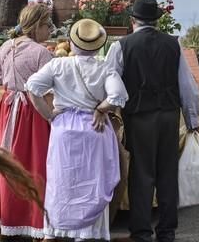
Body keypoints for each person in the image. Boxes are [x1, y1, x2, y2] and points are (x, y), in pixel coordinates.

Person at [105, 0, 199, 242]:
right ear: (156, 20)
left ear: (132, 19)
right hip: (169, 115)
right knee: (168, 172)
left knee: (142, 175)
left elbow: (109, 83)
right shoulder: (173, 44)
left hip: (139, 117)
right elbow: (187, 86)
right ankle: (167, 231)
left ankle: (142, 232)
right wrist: (192, 120)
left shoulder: (121, 46)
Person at [26, 18, 129, 241]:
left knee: (61, 181)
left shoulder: (58, 65)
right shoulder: (104, 68)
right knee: (93, 181)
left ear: (72, 43)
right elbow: (118, 96)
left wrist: (48, 115)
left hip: (64, 129)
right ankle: (86, 233)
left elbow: (32, 87)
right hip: (95, 128)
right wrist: (101, 109)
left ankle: (54, 231)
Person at [0, 2, 53, 239]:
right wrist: (52, 115)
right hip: (31, 112)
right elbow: (48, 90)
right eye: (46, 25)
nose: (50, 30)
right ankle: (35, 226)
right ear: (35, 26)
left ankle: (7, 224)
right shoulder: (42, 53)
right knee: (34, 165)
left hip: (7, 110)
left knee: (7, 165)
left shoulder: (3, 47)